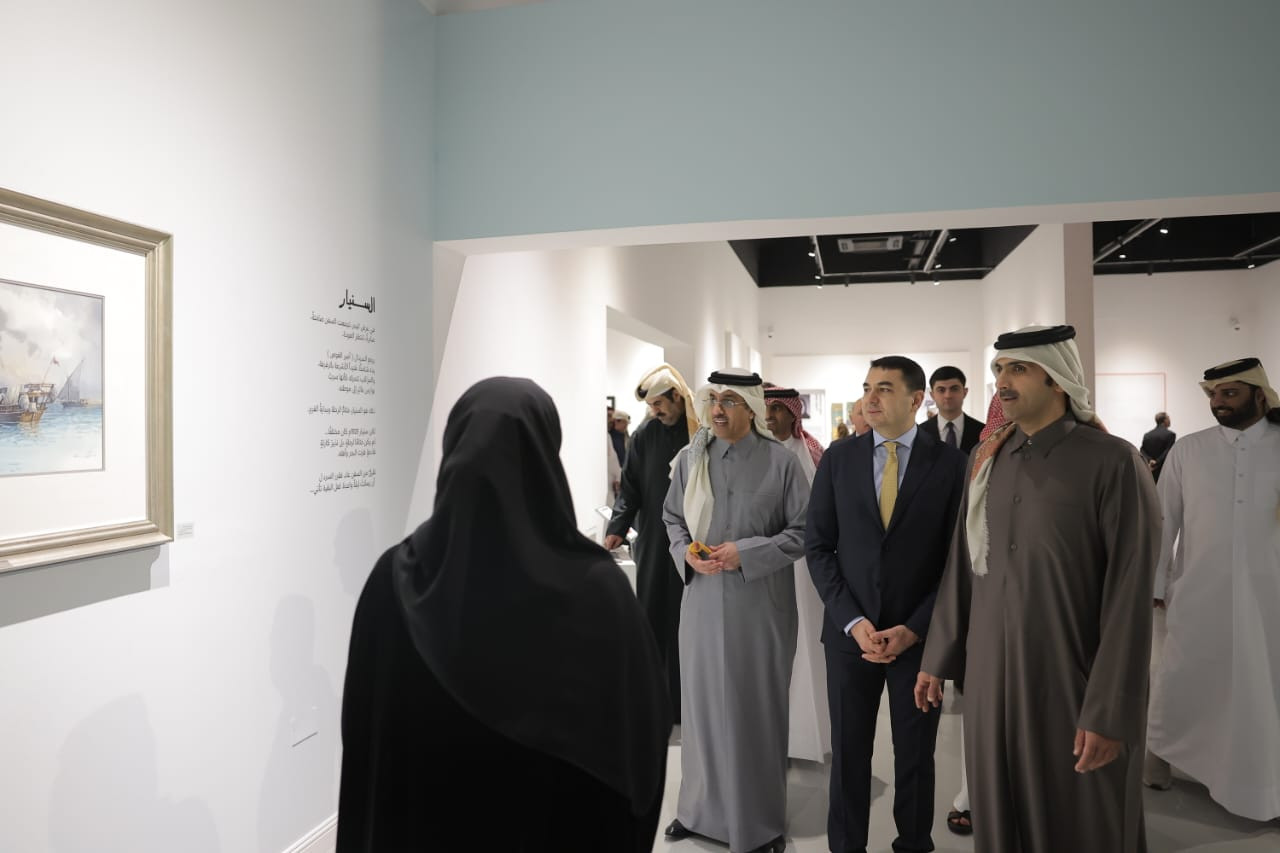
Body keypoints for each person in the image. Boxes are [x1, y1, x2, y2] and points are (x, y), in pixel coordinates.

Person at [337, 377, 670, 853]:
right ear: (545, 457)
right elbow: (641, 745)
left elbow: (364, 742)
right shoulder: (600, 595)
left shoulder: (394, 582)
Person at [916, 325, 1161, 853]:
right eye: (999, 370)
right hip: (989, 675)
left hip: (1070, 677)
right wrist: (937, 657)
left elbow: (1129, 597)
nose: (1002, 381)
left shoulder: (1113, 461)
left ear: (1057, 379)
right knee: (998, 806)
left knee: (1082, 813)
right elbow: (963, 566)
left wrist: (1109, 711)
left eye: (1018, 369)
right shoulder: (987, 460)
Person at [805, 356, 966, 853]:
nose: (870, 399)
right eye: (867, 387)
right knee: (848, 756)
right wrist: (853, 621)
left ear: (916, 400)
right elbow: (818, 547)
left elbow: (957, 561)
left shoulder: (951, 464)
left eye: (885, 389)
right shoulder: (839, 459)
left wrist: (915, 628)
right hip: (850, 637)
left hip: (918, 642)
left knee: (915, 757)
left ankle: (914, 844)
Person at [662, 369, 809, 853]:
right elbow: (672, 518)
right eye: (712, 401)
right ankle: (696, 812)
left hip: (760, 608)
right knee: (701, 709)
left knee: (754, 711)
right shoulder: (691, 460)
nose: (717, 410)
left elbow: (804, 531)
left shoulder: (781, 463)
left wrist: (747, 552)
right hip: (701, 605)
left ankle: (758, 823)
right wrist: (684, 551)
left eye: (728, 401)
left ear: (751, 408)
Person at [1145, 358, 1280, 821]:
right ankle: (1162, 755)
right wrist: (1157, 582)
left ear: (1259, 395)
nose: (1219, 402)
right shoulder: (1189, 449)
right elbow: (1164, 519)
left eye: (1230, 393)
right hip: (1200, 591)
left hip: (1270, 597)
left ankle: (1262, 781)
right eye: (1214, 395)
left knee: (1264, 684)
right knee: (1186, 676)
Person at [605, 363, 700, 723]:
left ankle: (688, 705)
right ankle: (655, 706)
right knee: (652, 619)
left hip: (694, 544)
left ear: (677, 396)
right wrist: (618, 525)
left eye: (659, 403)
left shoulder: (699, 431)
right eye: (651, 406)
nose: (655, 411)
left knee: (688, 622)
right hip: (655, 544)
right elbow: (630, 487)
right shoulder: (646, 434)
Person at [764, 383, 832, 763]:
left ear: (793, 413)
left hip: (803, 566)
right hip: (763, 559)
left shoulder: (811, 451)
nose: (770, 417)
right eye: (766, 409)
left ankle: (804, 736)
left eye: (778, 409)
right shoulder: (758, 453)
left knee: (804, 641)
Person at [918, 366, 984, 453]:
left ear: (965, 392)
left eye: (954, 389)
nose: (948, 395)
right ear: (932, 395)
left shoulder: (983, 431)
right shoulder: (920, 433)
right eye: (941, 390)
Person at [1139, 411, 1176, 481]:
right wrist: (1157, 462)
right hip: (1163, 470)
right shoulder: (1170, 435)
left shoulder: (1147, 435)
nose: (1169, 420)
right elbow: (1168, 451)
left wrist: (1150, 460)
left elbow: (1142, 450)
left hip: (1151, 469)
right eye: (1168, 418)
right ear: (1164, 420)